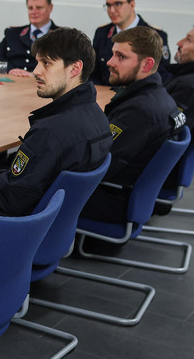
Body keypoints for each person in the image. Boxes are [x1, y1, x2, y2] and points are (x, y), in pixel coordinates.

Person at [0, 28, 112, 217]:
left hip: (2, 229)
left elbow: (10, 198)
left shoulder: (51, 132)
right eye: (37, 62)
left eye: (47, 63)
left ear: (75, 68)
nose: (35, 71)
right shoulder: (98, 116)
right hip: (47, 225)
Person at [80, 26, 186, 223]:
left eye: (121, 57)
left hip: (110, 201)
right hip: (123, 193)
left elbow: (97, 165)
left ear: (147, 64)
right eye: (112, 54)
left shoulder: (139, 111)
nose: (110, 62)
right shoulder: (159, 96)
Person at [91, 0, 171, 85]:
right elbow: (94, 72)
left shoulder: (156, 35)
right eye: (108, 5)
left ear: (132, 4)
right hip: (106, 94)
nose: (111, 10)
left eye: (118, 4)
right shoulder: (102, 33)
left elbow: (162, 75)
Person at [0, 0, 59, 77]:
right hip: (13, 81)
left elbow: (65, 66)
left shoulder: (61, 36)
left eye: (39, 8)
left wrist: (34, 75)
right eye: (30, 8)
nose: (33, 12)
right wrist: (11, 70)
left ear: (50, 7)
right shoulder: (12, 33)